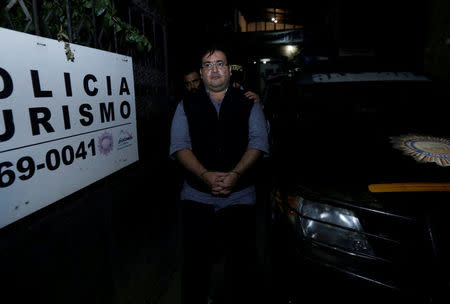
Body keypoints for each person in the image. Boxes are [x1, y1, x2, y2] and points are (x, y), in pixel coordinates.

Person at [170, 44, 269, 304]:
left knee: (242, 263)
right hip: (196, 195)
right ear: (201, 73)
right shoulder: (185, 105)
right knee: (195, 263)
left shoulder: (249, 103)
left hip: (240, 195)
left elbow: (259, 141)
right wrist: (204, 175)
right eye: (207, 64)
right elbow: (179, 145)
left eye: (220, 64)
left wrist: (235, 174)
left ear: (229, 70)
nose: (214, 70)